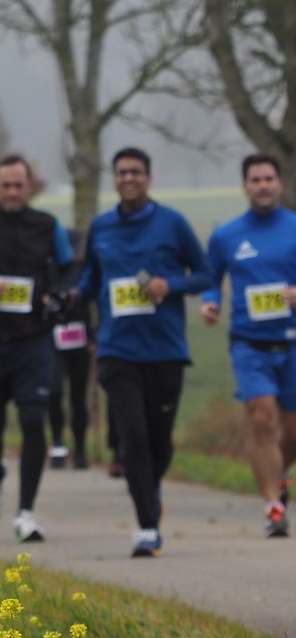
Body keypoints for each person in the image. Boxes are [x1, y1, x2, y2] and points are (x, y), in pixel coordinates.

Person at [197, 153, 296, 538]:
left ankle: (283, 473)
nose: (263, 186)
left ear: (280, 184)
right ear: (245, 187)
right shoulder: (226, 236)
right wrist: (210, 303)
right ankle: (273, 508)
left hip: (293, 341)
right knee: (261, 419)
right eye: (255, 180)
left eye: (268, 179)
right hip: (248, 343)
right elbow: (211, 279)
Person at [80, 146, 206, 557]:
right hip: (117, 349)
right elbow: (90, 280)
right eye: (121, 172)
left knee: (158, 442)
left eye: (135, 172)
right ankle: (147, 527)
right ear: (114, 179)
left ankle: (150, 490)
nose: (128, 178)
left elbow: (205, 274)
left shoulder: (172, 223)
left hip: (165, 348)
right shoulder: (101, 227)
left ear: (148, 178)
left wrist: (171, 285)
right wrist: (68, 297)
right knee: (132, 437)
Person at [0, 155, 74, 543]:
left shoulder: (47, 225)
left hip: (33, 339)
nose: (12, 192)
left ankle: (26, 511)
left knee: (33, 419)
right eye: (5, 186)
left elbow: (69, 268)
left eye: (18, 185)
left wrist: (59, 295)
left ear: (30, 187)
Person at [47, 235, 94, 471]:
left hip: (79, 340)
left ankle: (81, 451)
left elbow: (91, 302)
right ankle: (58, 445)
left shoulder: (84, 270)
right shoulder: (48, 269)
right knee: (54, 392)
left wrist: (93, 337)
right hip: (52, 339)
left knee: (78, 397)